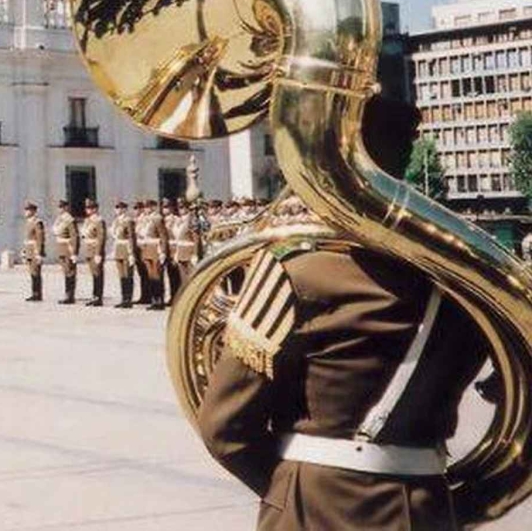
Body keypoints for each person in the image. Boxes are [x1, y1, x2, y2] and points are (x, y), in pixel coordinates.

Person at [196, 201, 489, 530]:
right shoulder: (475, 291)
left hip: (311, 504)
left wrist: (291, 486)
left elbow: (223, 429)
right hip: (426, 508)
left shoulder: (299, 270)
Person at [80, 200, 107, 307]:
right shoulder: (88, 221)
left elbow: (101, 237)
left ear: (95, 209)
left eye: (90, 208)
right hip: (89, 250)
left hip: (95, 250)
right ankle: (94, 295)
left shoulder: (99, 221)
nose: (88, 210)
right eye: (87, 208)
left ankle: (98, 297)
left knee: (98, 274)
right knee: (93, 274)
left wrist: (98, 253)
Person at [53, 200, 79, 304]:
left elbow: (74, 236)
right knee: (65, 272)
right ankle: (67, 293)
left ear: (66, 208)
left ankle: (70, 295)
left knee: (70, 273)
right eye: (59, 207)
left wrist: (74, 252)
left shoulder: (69, 220)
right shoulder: (59, 220)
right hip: (61, 248)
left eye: (62, 207)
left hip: (68, 249)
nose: (60, 209)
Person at [111, 201, 136, 308]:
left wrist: (131, 253)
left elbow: (131, 237)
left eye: (120, 208)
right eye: (117, 208)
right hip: (118, 249)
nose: (118, 210)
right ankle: (123, 297)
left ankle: (128, 299)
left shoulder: (128, 221)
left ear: (125, 209)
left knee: (128, 275)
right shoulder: (116, 221)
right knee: (121, 275)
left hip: (126, 249)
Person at [21, 202, 45, 302]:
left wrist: (39, 253)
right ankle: (34, 293)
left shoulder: (37, 222)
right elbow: (27, 239)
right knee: (32, 273)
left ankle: (37, 294)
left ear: (33, 211)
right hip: (29, 251)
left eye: (28, 210)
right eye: (26, 210)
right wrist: (24, 251)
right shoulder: (28, 222)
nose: (26, 212)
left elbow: (40, 238)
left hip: (35, 251)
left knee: (36, 273)